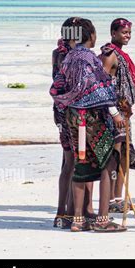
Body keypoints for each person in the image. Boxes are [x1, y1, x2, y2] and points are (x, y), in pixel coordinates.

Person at [50, 17, 126, 232]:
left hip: (72, 117)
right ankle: (103, 219)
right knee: (107, 162)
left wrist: (68, 105)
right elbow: (96, 85)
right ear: (90, 36)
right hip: (91, 118)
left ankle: (77, 220)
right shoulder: (88, 58)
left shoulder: (67, 58)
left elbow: (57, 88)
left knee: (80, 164)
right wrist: (114, 112)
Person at [52, 17, 94, 229]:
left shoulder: (58, 53)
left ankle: (64, 213)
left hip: (60, 111)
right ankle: (81, 212)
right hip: (77, 113)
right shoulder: (75, 55)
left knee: (69, 163)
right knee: (82, 162)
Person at [100, 18, 135, 214]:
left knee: (124, 154)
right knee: (114, 155)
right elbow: (101, 84)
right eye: (124, 32)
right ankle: (111, 199)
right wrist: (114, 110)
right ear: (113, 33)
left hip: (124, 113)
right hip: (114, 114)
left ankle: (118, 197)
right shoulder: (109, 55)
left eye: (129, 33)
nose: (127, 36)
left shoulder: (121, 54)